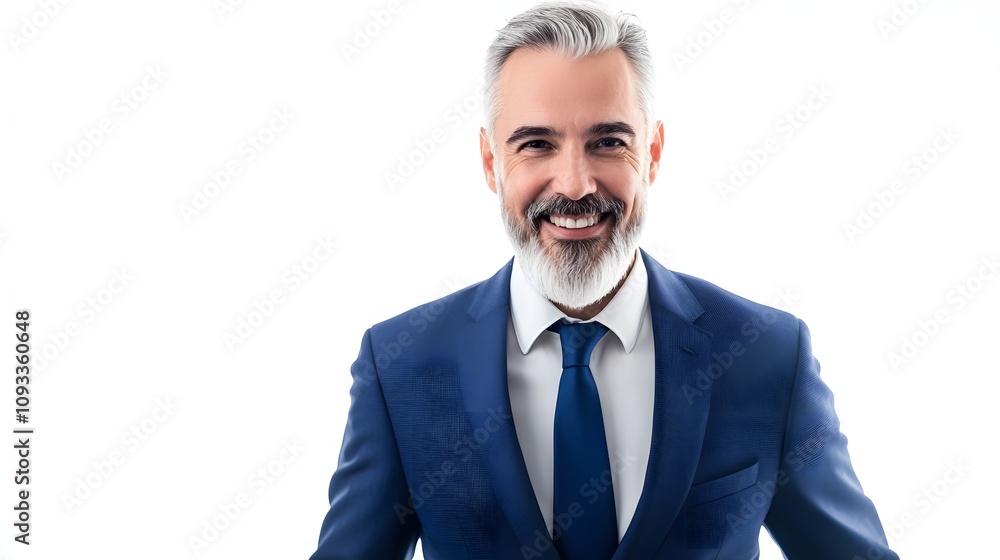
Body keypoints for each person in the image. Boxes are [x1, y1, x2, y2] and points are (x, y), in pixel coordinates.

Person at [309, 2, 898, 558]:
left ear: (653, 152)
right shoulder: (401, 365)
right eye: (536, 144)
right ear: (491, 162)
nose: (574, 184)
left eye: (608, 142)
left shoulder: (766, 356)